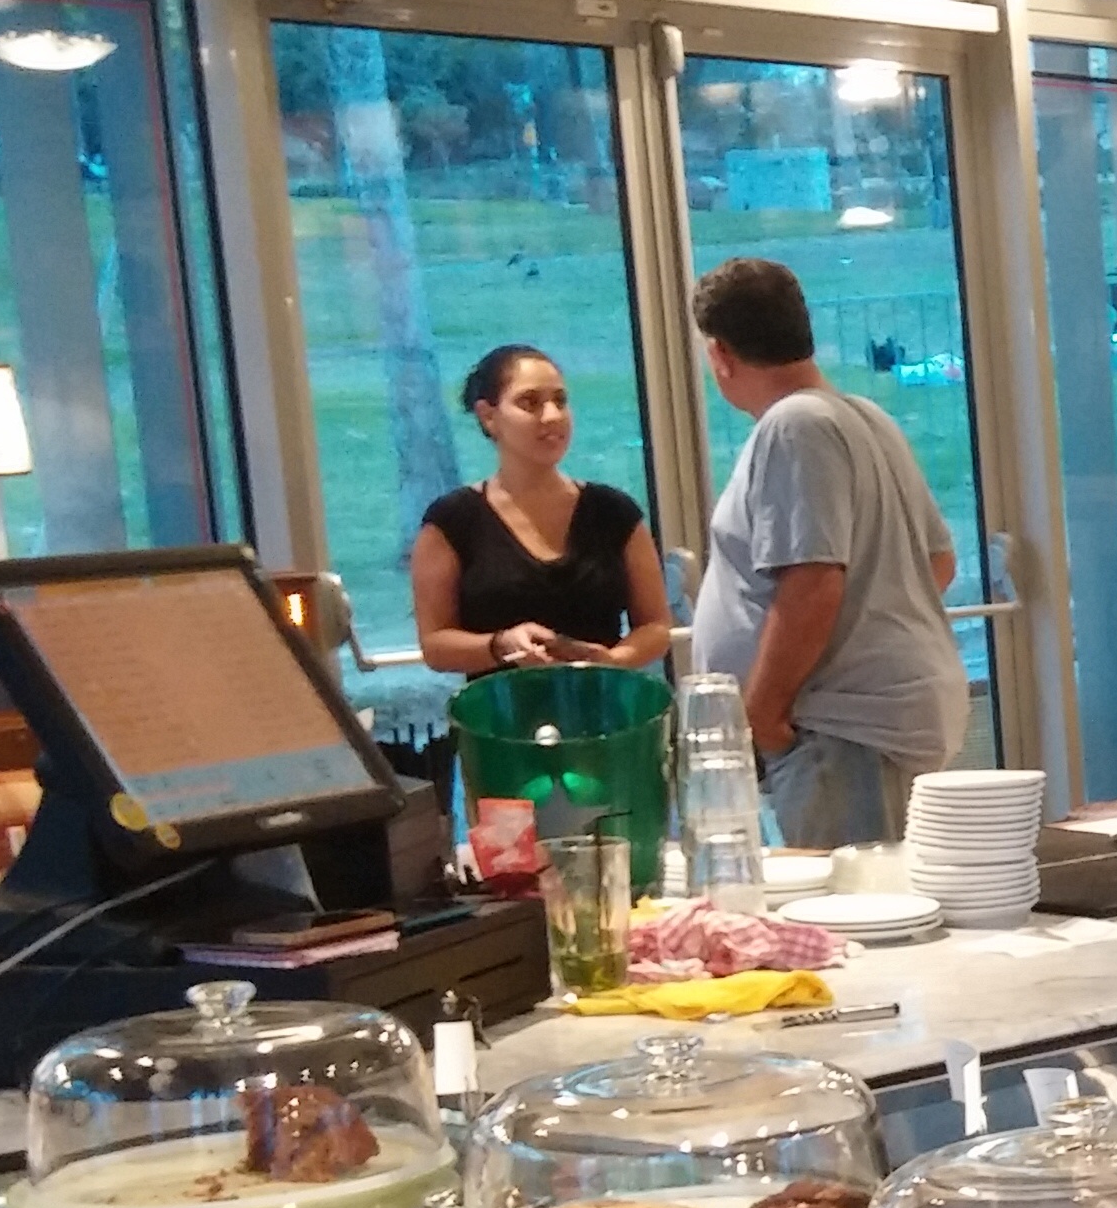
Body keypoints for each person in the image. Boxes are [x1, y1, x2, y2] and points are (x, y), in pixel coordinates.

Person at [688, 258, 969, 849]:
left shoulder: (795, 426)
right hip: (867, 722)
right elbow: (937, 564)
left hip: (841, 728)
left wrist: (763, 715)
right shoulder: (866, 417)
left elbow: (812, 583)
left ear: (720, 355)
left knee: (857, 898)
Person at [408, 345, 672, 678]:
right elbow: (435, 644)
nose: (552, 416)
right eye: (530, 403)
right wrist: (500, 645)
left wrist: (614, 660)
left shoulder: (614, 513)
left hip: (600, 703)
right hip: (498, 707)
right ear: (488, 416)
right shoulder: (452, 522)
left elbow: (655, 625)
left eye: (560, 401)